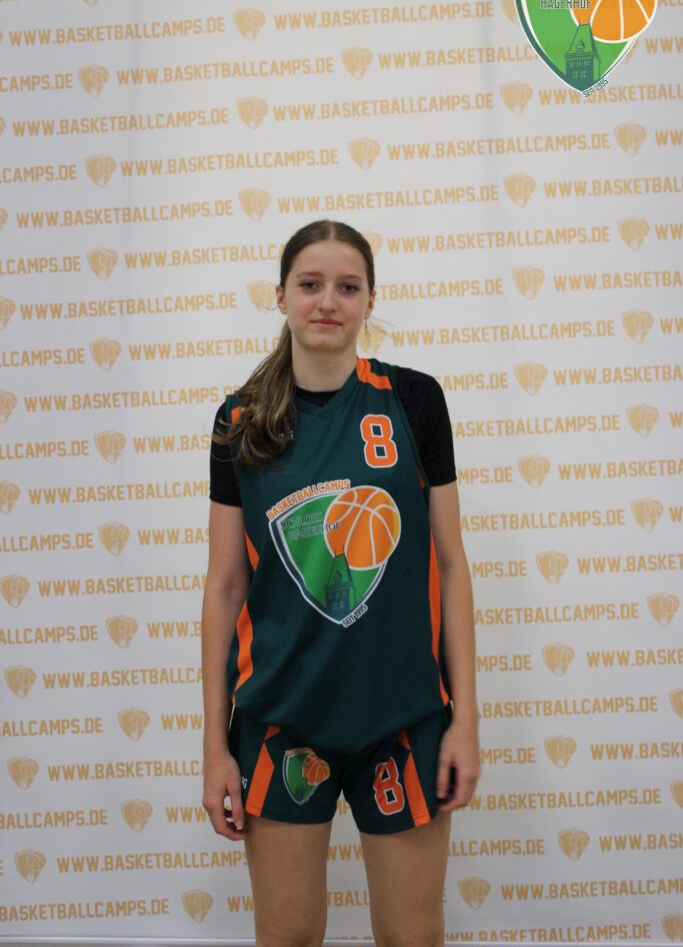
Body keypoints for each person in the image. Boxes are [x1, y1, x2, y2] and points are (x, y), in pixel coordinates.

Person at [201, 219, 480, 947]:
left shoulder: (414, 400)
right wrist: (214, 746)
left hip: (404, 715)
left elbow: (451, 564)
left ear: (369, 301)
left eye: (347, 287)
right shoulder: (239, 419)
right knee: (288, 937)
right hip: (280, 719)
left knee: (412, 938)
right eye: (310, 284)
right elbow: (225, 587)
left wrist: (466, 720)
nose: (328, 301)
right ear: (280, 296)